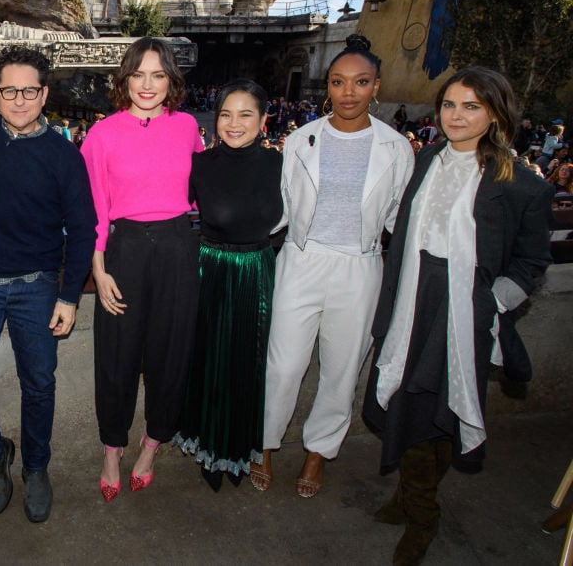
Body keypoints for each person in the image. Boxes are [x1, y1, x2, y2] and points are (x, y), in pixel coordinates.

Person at [362, 67, 553, 565]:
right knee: (408, 403)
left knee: (437, 412)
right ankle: (409, 498)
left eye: (471, 106)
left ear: (494, 113)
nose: (457, 116)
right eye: (450, 105)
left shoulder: (521, 185)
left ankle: (422, 517)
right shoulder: (426, 159)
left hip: (462, 311)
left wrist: (491, 303)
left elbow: (532, 262)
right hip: (411, 298)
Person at [257, 34, 414, 497]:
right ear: (328, 86)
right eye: (340, 82)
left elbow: (398, 220)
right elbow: (280, 209)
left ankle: (317, 454)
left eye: (360, 82)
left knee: (342, 370)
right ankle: (263, 444)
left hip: (360, 268)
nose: (349, 92)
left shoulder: (396, 148)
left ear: (376, 87)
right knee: (283, 366)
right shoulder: (302, 140)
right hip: (301, 261)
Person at [0, 46, 96, 522]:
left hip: (36, 285)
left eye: (28, 90)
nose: (18, 100)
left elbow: (83, 229)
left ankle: (36, 467)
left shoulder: (62, 154)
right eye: (9, 90)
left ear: (44, 93)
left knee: (38, 383)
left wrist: (69, 296)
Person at [81, 37, 203, 502]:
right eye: (138, 74)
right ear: (124, 78)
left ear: (171, 79)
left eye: (158, 75)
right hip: (124, 248)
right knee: (116, 357)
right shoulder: (103, 134)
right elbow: (94, 207)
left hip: (176, 247)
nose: (147, 85)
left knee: (171, 354)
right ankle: (112, 449)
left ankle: (152, 444)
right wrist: (99, 267)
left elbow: (199, 192)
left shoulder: (188, 126)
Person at [173, 79, 283, 492]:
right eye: (225, 114)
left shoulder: (280, 165)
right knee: (207, 361)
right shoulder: (199, 165)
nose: (234, 123)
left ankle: (237, 449)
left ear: (264, 120)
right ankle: (207, 446)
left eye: (245, 114)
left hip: (256, 270)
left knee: (247, 363)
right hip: (211, 269)